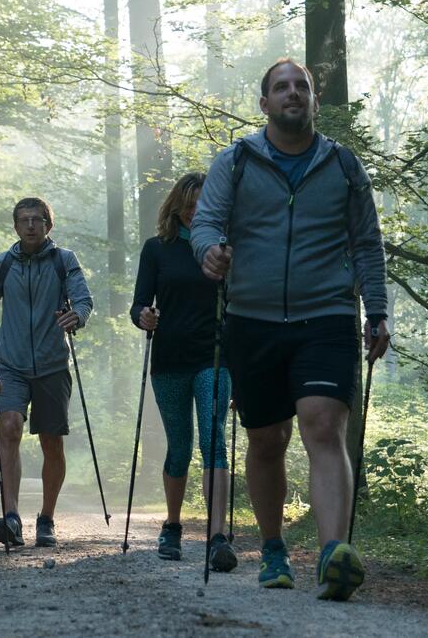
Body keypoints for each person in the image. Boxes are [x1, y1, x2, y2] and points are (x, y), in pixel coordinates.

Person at [190, 58, 391, 601]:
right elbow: (206, 219)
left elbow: (367, 244)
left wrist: (377, 311)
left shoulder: (344, 167)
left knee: (322, 424)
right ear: (264, 104)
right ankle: (274, 549)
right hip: (251, 319)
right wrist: (208, 250)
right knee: (266, 438)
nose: (292, 93)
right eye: (281, 87)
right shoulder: (235, 162)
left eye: (301, 86)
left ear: (314, 102)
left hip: (326, 315)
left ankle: (332, 555)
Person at [130, 172, 236, 572]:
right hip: (170, 359)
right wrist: (144, 316)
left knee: (214, 441)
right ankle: (172, 525)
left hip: (215, 358)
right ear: (177, 206)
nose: (195, 212)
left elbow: (242, 306)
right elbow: (139, 304)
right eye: (190, 204)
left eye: (203, 205)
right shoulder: (157, 249)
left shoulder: (228, 251)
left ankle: (217, 536)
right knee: (179, 447)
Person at [0, 196, 93, 550]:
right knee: (9, 428)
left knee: (51, 442)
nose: (30, 225)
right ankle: (11, 518)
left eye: (37, 219)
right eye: (24, 220)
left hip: (53, 364)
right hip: (9, 365)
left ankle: (46, 518)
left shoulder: (64, 260)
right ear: (15, 226)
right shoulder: (0, 265)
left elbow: (84, 300)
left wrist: (79, 316)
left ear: (48, 225)